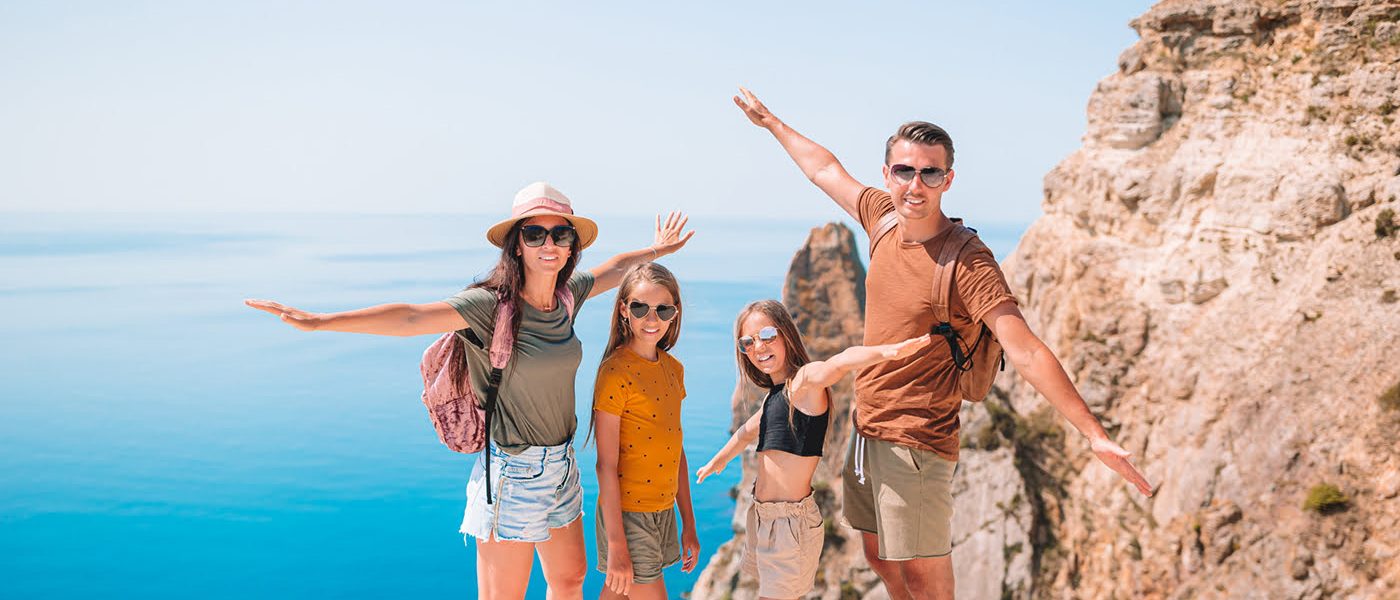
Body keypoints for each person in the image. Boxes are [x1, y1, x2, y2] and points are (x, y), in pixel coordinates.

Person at [732, 88, 1153, 600]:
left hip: (918, 440)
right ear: (887, 174)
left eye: (930, 173)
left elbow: (1025, 348)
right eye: (905, 171)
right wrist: (772, 123)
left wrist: (1093, 433)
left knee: (924, 578)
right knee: (878, 557)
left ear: (947, 179)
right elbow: (824, 169)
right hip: (867, 429)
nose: (916, 185)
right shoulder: (882, 219)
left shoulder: (967, 262)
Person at [245, 182, 694, 600]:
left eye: (561, 234)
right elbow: (411, 317)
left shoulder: (565, 298)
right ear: (516, 244)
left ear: (572, 245)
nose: (549, 244)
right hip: (513, 473)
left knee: (569, 579)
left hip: (562, 466)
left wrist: (659, 249)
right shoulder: (489, 306)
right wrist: (320, 321)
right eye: (535, 234)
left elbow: (613, 269)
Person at [696, 300, 932, 600]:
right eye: (748, 342)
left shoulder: (804, 383)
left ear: (786, 335)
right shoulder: (774, 397)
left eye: (767, 335)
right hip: (763, 520)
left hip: (790, 525)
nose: (759, 346)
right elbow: (745, 433)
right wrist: (718, 460)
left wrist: (887, 352)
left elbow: (840, 363)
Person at [589, 262, 699, 599]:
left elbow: (675, 450)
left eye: (662, 310)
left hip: (662, 512)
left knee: (618, 593)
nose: (652, 319)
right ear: (624, 310)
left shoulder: (673, 370)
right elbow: (605, 465)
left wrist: (689, 524)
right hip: (627, 514)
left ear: (674, 313)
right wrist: (616, 544)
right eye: (640, 308)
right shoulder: (615, 373)